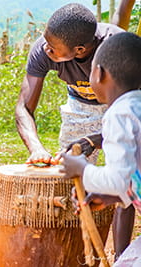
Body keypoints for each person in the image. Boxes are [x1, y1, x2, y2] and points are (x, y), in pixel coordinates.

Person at [13, 3, 133, 259]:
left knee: (122, 178)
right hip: (80, 107)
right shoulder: (44, 48)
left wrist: (97, 139)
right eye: (46, 43)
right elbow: (24, 107)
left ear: (80, 50)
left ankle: (120, 257)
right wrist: (36, 147)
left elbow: (132, 121)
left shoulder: (115, 48)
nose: (46, 49)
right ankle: (72, 252)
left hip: (118, 103)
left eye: (53, 48)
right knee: (71, 181)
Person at [60, 32, 141, 266]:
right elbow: (133, 177)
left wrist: (82, 170)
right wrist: (112, 196)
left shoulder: (120, 113)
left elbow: (118, 179)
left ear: (98, 73)